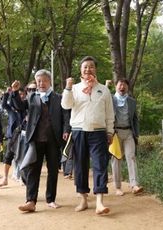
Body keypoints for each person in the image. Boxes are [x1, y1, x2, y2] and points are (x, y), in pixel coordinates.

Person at [61, 56, 115, 215]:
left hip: (98, 132)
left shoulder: (103, 90)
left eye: (91, 66)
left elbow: (110, 114)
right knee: (80, 166)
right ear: (81, 70)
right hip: (78, 131)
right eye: (85, 67)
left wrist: (110, 131)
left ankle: (99, 202)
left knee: (100, 165)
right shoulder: (75, 88)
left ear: (95, 69)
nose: (88, 69)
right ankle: (83, 199)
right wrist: (68, 88)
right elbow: (66, 105)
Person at [17, 69, 70, 212]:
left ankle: (51, 199)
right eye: (38, 81)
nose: (41, 83)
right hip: (36, 139)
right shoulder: (32, 97)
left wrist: (66, 130)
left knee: (53, 170)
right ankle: (31, 201)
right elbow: (20, 107)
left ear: (49, 82)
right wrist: (15, 93)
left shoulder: (58, 97)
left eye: (44, 80)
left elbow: (66, 116)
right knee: (33, 170)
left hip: (53, 139)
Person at [109, 79, 143, 196]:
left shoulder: (132, 101)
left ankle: (134, 184)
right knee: (116, 159)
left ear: (127, 87)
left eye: (124, 85)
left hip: (129, 132)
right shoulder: (111, 100)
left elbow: (135, 118)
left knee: (131, 157)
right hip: (116, 132)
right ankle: (118, 187)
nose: (122, 87)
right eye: (120, 84)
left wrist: (136, 134)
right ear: (116, 86)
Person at [0, 84, 27, 187]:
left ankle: (21, 178)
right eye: (19, 94)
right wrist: (7, 93)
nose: (21, 96)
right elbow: (3, 104)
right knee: (8, 157)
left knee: (22, 157)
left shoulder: (25, 108)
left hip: (23, 135)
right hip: (12, 136)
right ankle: (5, 178)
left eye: (23, 94)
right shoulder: (10, 109)